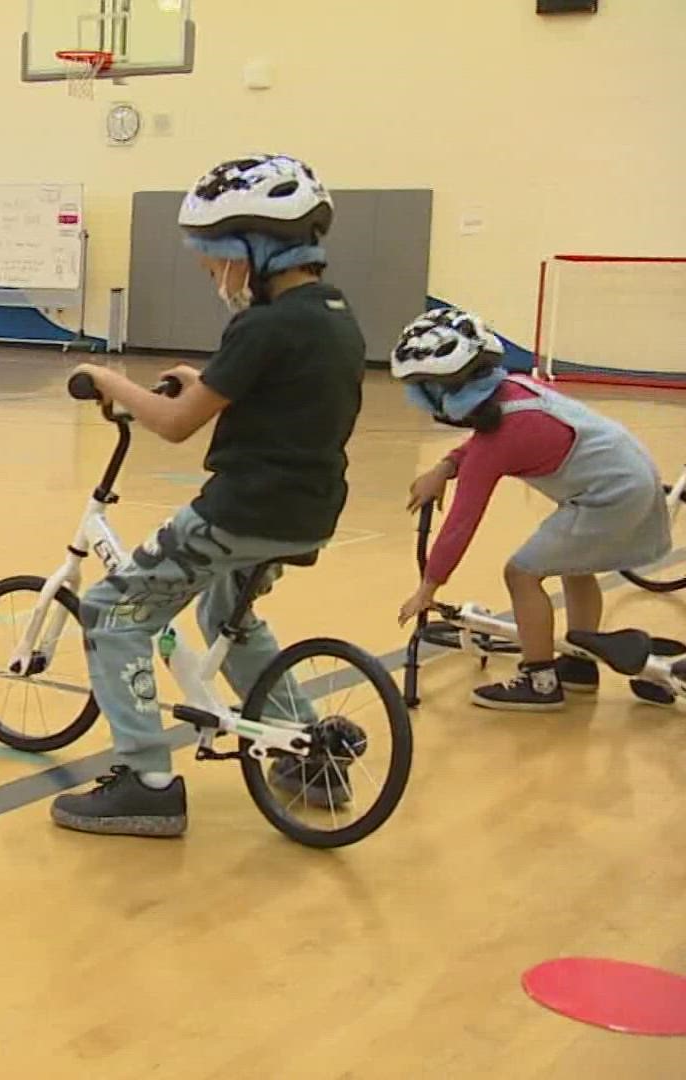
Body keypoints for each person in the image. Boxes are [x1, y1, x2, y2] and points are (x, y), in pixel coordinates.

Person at [53, 154, 366, 838]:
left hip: (241, 512)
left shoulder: (262, 325)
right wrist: (208, 379)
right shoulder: (331, 315)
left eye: (215, 257)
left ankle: (145, 780)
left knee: (111, 610)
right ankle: (305, 748)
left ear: (255, 248)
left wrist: (108, 379)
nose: (209, 271)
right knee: (230, 613)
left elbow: (171, 424)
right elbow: (278, 394)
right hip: (306, 510)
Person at [392, 307, 671, 710]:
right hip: (629, 479)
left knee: (521, 573)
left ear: (444, 390)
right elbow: (486, 440)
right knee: (574, 567)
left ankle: (539, 681)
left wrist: (429, 586)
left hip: (611, 496)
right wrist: (446, 465)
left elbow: (461, 522)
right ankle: (579, 666)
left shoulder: (498, 438)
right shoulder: (514, 390)